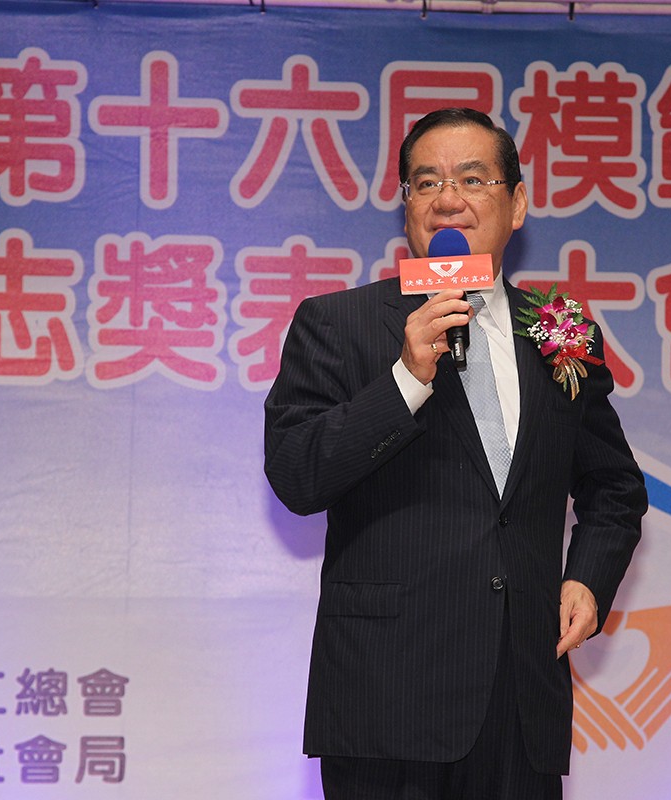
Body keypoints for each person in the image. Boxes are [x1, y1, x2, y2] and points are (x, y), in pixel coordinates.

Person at [263, 107, 646, 799]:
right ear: (406, 205)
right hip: (389, 695)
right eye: (426, 182)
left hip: (521, 695)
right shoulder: (338, 325)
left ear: (517, 203)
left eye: (473, 179)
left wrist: (588, 579)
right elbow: (297, 474)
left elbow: (614, 488)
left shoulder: (559, 331)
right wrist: (406, 380)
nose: (448, 199)